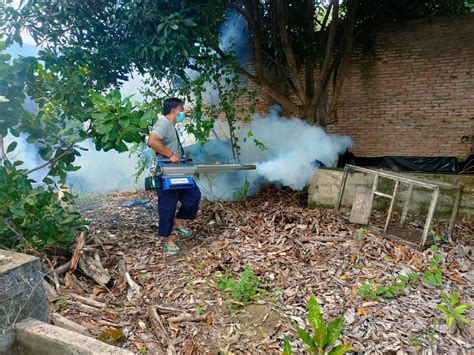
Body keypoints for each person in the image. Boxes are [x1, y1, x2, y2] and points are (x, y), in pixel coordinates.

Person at [147, 98, 201, 253]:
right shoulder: (163, 123)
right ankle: (168, 241)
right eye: (181, 109)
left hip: (178, 170)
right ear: (173, 110)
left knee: (193, 197)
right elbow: (152, 141)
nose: (183, 113)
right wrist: (171, 154)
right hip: (166, 172)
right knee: (167, 206)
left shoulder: (170, 125)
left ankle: (177, 222)